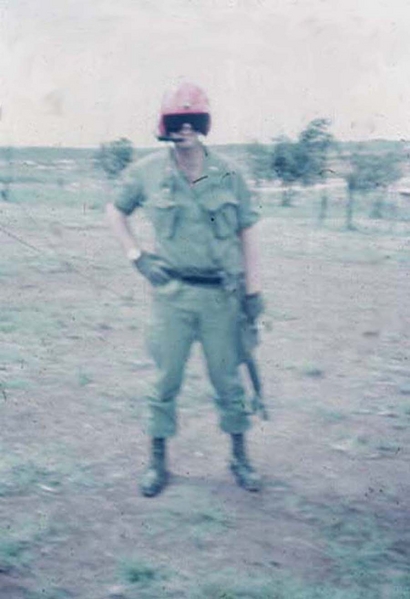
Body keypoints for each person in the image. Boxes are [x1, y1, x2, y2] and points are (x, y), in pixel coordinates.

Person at [106, 82, 265, 497]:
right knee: (165, 381)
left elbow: (248, 231)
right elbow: (114, 209)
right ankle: (157, 463)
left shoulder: (230, 172)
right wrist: (136, 255)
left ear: (204, 124)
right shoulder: (147, 172)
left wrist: (253, 290)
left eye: (193, 120)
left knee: (228, 381)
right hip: (172, 296)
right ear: (165, 127)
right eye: (177, 121)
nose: (185, 128)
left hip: (222, 298)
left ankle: (240, 458)